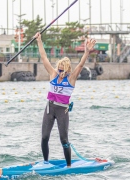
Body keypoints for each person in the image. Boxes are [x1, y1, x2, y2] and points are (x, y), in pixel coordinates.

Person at [34, 32, 96, 167]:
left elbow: (80, 65)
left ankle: (68, 166)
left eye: (63, 69)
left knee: (64, 139)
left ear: (67, 69)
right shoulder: (53, 74)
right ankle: (46, 163)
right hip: (50, 108)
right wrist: (39, 40)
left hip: (62, 110)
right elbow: (44, 57)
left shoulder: (71, 78)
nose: (60, 71)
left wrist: (86, 52)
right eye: (59, 68)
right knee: (44, 137)